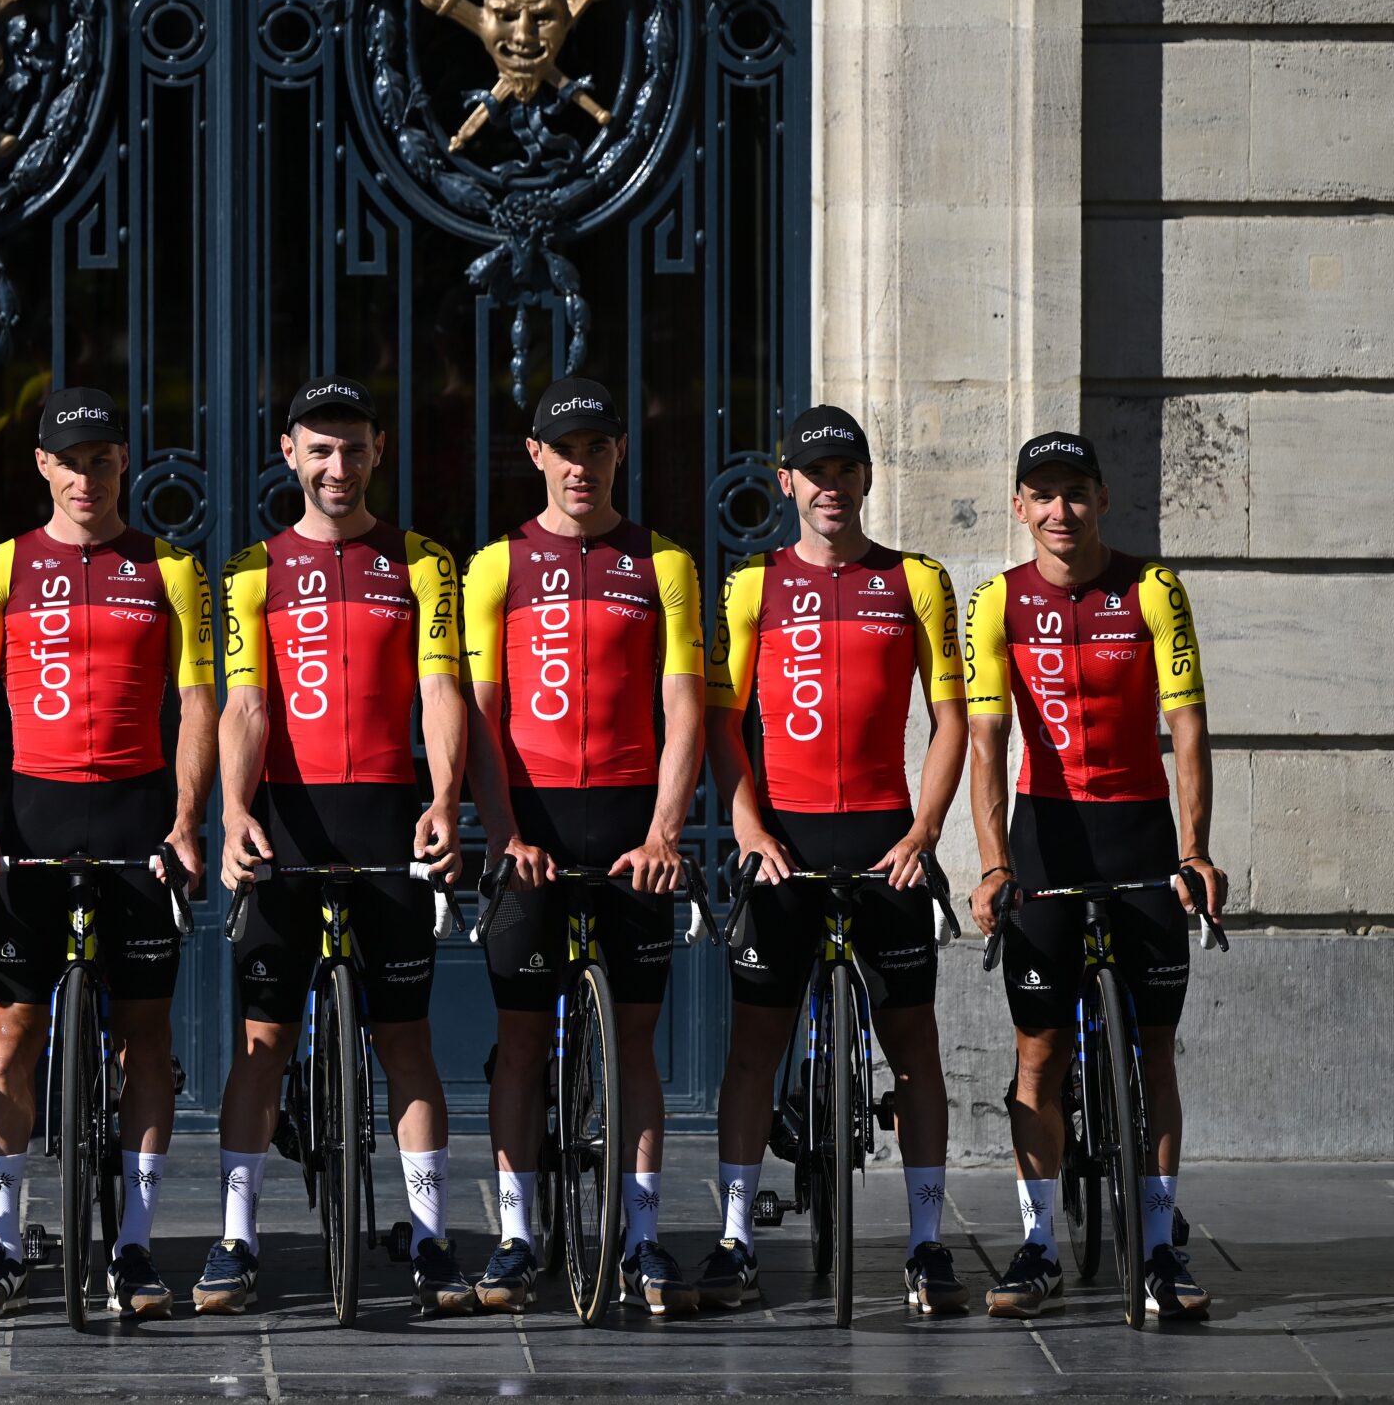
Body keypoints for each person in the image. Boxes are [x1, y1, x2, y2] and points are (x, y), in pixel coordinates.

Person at [194, 377, 473, 1317]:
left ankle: (432, 1242)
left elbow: (441, 693)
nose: (338, 467)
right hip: (288, 823)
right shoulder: (248, 570)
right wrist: (234, 812)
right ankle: (235, 1241)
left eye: (353, 448)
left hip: (386, 820)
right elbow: (245, 703)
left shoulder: (424, 563)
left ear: (378, 451)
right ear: (289, 454)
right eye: (320, 449)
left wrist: (442, 797)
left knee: (406, 1045)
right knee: (262, 1044)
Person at [0, 387, 216, 1319]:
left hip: (138, 816)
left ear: (123, 465)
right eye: (71, 460)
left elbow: (199, 707)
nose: (88, 477)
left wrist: (185, 821)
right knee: (11, 1033)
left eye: (104, 459)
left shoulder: (172, 568)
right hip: (34, 820)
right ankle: (3, 1241)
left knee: (144, 1038)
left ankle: (135, 1248)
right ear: (42, 467)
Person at [697, 406, 972, 1313]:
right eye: (813, 471)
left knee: (915, 1050)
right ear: (786, 483)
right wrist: (746, 830)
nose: (830, 485)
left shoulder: (917, 579)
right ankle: (736, 1239)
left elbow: (951, 720)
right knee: (754, 1052)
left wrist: (924, 832)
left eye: (845, 469)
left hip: (884, 841)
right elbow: (722, 727)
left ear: (866, 478)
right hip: (786, 843)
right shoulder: (750, 586)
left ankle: (930, 1244)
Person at [966, 432, 1226, 1321]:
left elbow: (1187, 724)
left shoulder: (1152, 589)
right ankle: (1037, 1243)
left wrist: (1194, 848)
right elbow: (987, 742)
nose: (1059, 511)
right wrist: (994, 862)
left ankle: (1158, 1248)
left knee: (1154, 1053)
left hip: (1140, 836)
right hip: (1045, 838)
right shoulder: (995, 602)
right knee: (1037, 1057)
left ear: (1102, 500)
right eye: (1041, 495)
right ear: (1019, 508)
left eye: (1075, 493)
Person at [460, 377, 704, 1315]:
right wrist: (504, 831)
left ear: (619, 454)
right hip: (534, 835)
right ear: (535, 455)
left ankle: (643, 1238)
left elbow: (683, 708)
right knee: (520, 1044)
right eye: (565, 447)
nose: (581, 463)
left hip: (630, 830)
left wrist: (665, 834)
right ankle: (520, 1237)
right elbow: (482, 715)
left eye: (598, 446)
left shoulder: (664, 562)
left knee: (635, 1043)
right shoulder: (494, 567)